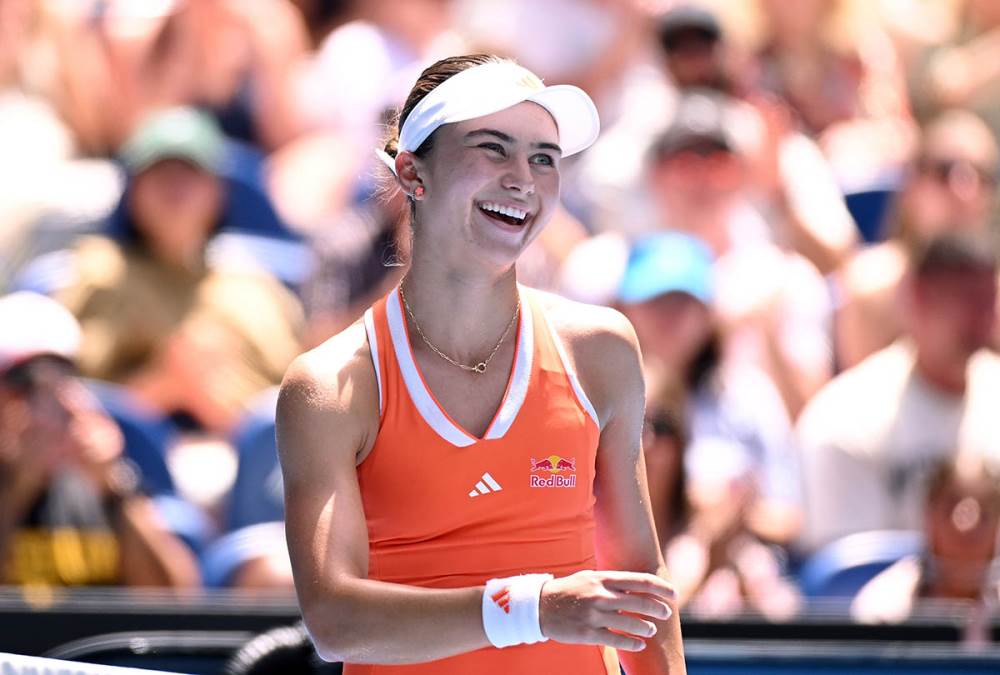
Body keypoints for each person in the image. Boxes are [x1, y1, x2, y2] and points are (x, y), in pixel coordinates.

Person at [277, 54, 684, 673]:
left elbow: (640, 581)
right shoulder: (329, 386)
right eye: (493, 149)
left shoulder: (600, 349)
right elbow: (334, 623)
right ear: (413, 172)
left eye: (544, 157)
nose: (523, 178)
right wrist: (533, 610)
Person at [797, 231, 1000, 554]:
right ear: (918, 297)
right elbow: (850, 573)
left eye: (988, 299)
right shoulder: (845, 421)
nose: (982, 317)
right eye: (967, 299)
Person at [0, 291, 200, 588]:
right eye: (21, 383)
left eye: (61, 375)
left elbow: (172, 597)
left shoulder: (100, 479)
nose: (44, 402)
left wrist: (114, 486)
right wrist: (19, 487)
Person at [851, 454, 1000, 638]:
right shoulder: (882, 608)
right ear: (928, 517)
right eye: (951, 507)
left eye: (984, 511)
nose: (967, 525)